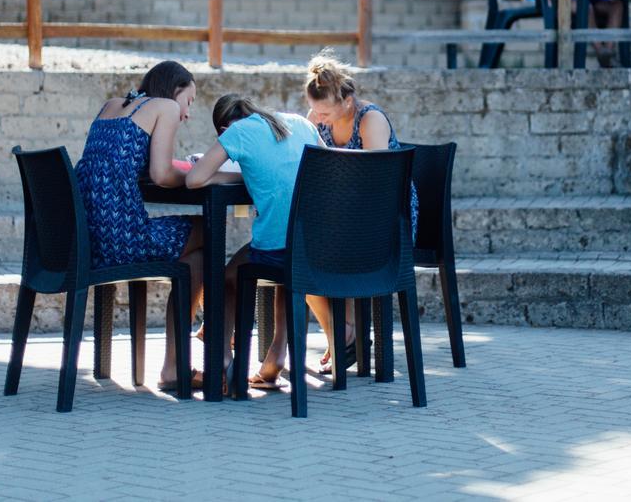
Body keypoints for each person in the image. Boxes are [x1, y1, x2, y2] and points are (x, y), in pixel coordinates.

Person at [74, 60, 208, 391]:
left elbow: (128, 164)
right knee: (206, 231)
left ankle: (176, 365)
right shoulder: (164, 107)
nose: (187, 113)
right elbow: (162, 175)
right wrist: (198, 173)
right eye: (188, 102)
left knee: (197, 260)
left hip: (89, 237)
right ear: (174, 91)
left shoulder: (112, 106)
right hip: (124, 239)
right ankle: (186, 357)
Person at [185, 94, 322, 391]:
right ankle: (275, 356)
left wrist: (230, 174)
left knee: (226, 278)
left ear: (222, 130)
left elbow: (194, 179)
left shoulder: (237, 133)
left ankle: (222, 362)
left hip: (279, 248)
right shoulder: (299, 123)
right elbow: (330, 169)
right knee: (290, 273)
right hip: (320, 243)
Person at [303, 50, 418, 374]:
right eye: (315, 111)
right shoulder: (317, 121)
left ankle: (347, 333)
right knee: (295, 253)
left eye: (324, 112)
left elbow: (378, 188)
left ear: (347, 100)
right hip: (342, 215)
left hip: (384, 218)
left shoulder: (370, 120)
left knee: (327, 248)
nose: (319, 119)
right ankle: (342, 333)